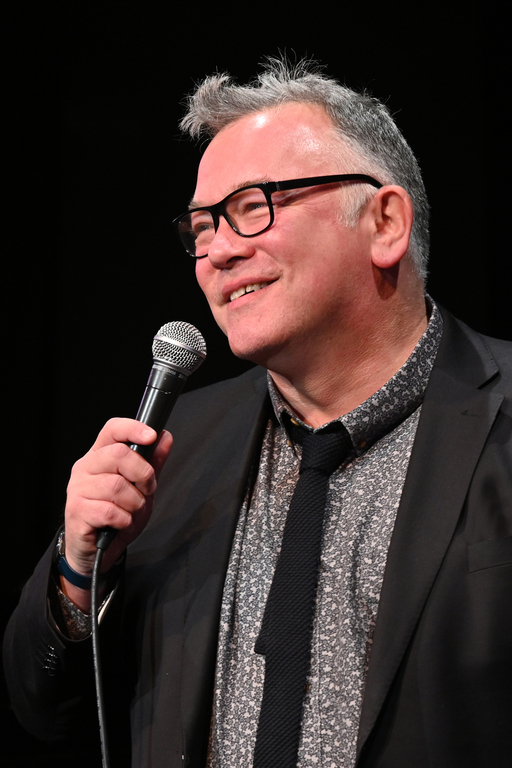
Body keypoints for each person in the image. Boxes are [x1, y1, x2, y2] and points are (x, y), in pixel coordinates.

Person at [3, 58, 512, 768]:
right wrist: (80, 572)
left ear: (385, 222)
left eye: (252, 206)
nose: (217, 250)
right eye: (202, 225)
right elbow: (42, 706)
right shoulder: (172, 452)